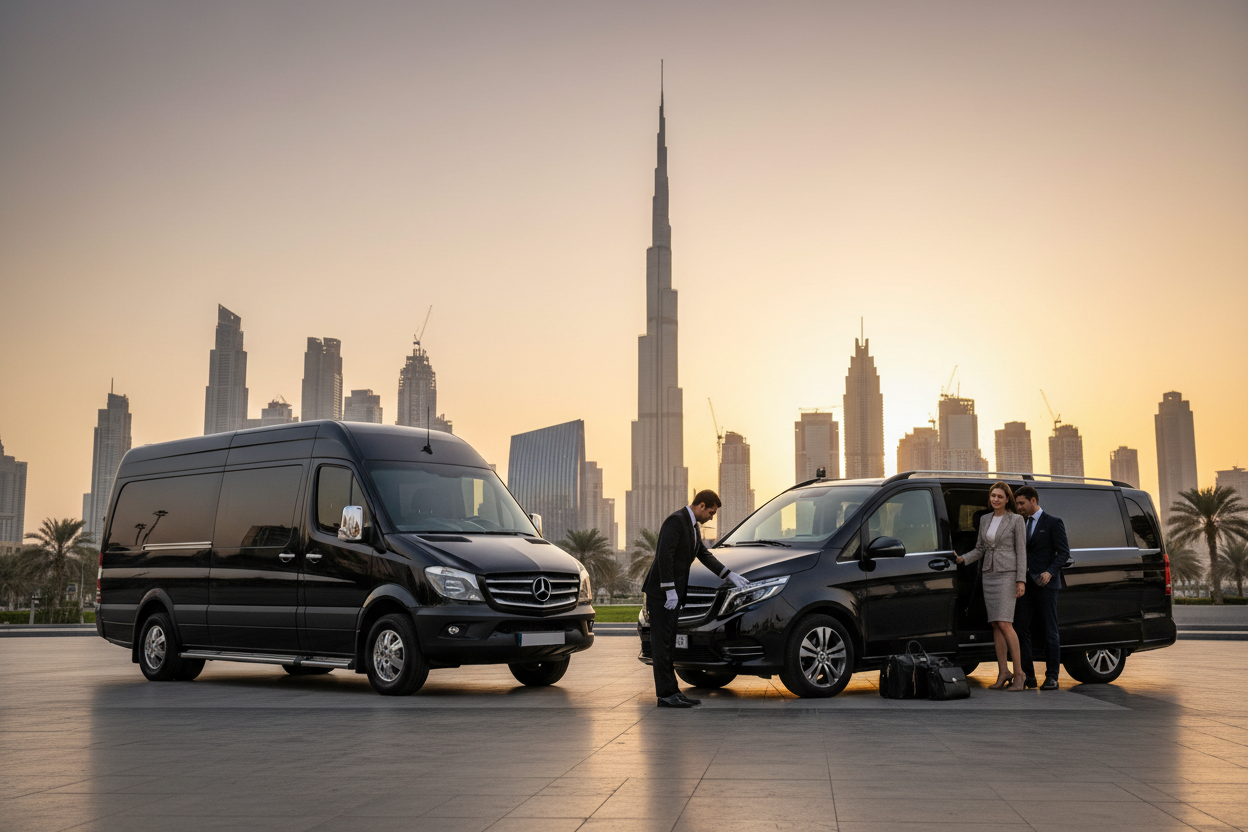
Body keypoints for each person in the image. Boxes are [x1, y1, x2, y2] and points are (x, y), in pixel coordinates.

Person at [642, 490, 749, 708]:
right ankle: (665, 695)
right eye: (711, 511)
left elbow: (703, 554)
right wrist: (668, 589)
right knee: (662, 645)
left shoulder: (691, 527)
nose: (712, 516)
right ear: (701, 505)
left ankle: (672, 691)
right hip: (661, 595)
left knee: (670, 644)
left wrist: (728, 575)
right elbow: (664, 555)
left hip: (673, 595)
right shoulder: (676, 521)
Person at [954, 482, 1028, 691]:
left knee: (1006, 624)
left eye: (1000, 496)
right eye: (993, 496)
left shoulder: (1016, 520)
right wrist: (962, 559)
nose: (995, 499)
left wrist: (1020, 580)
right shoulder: (985, 519)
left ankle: (1020, 674)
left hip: (1007, 575)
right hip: (989, 574)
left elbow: (1021, 552)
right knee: (995, 624)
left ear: (1007, 499)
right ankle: (1003, 671)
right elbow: (980, 549)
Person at [1013, 485, 1069, 690]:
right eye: (1017, 503)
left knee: (1049, 630)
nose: (1018, 507)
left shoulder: (1053, 522)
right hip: (1024, 583)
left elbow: (1063, 552)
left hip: (1046, 583)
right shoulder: (1019, 523)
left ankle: (1052, 676)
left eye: (1021, 503)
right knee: (1020, 627)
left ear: (1033, 501)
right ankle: (1029, 676)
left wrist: (1050, 571)